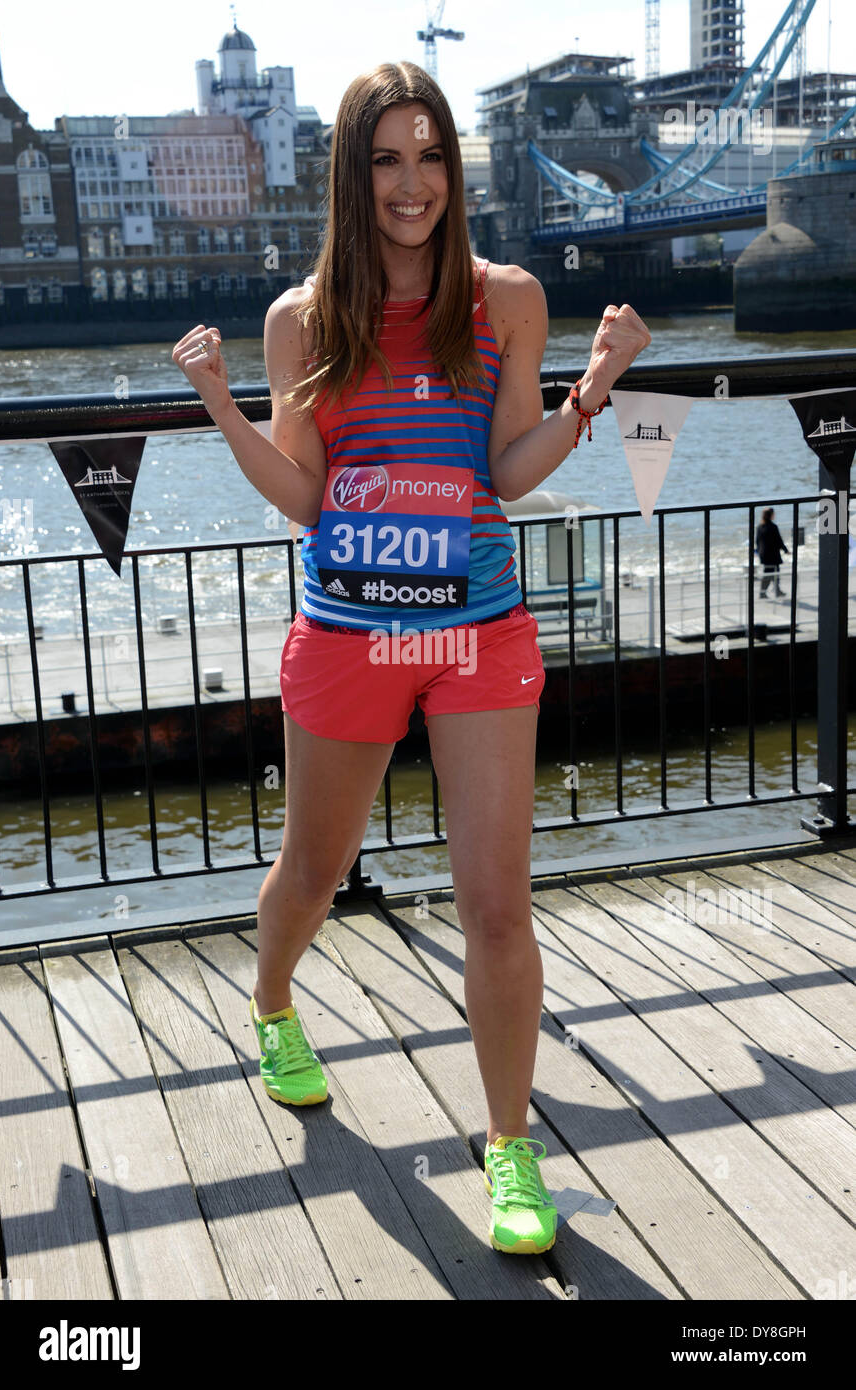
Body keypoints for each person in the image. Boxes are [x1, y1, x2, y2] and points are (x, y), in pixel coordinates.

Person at [172, 60, 651, 1257]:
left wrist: (594, 389)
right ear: (351, 170)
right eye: (386, 157)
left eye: (431, 154)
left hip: (479, 632)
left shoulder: (507, 299)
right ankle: (273, 996)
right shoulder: (302, 319)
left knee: (498, 906)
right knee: (315, 875)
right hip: (347, 635)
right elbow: (304, 492)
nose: (412, 183)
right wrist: (225, 407)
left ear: (453, 167)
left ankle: (509, 1149)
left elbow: (503, 470)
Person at [756, 506, 789, 598]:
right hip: (772, 555)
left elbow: (757, 541)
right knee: (772, 573)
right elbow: (779, 541)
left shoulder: (760, 527)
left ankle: (773, 591)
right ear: (771, 515)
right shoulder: (773, 527)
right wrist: (786, 550)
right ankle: (765, 593)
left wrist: (758, 552)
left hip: (764, 554)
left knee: (769, 573)